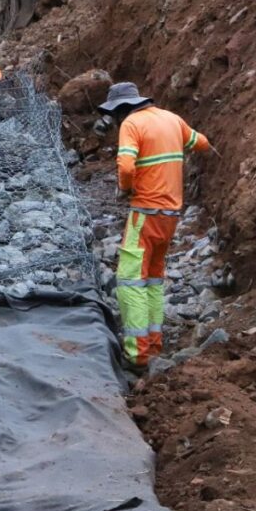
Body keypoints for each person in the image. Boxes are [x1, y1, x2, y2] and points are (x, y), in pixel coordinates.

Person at [98, 82, 212, 372]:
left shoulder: (132, 124)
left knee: (130, 279)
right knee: (152, 277)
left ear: (120, 110)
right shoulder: (171, 118)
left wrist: (126, 188)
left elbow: (125, 167)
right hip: (171, 214)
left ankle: (137, 354)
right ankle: (154, 342)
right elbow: (201, 142)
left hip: (145, 213)